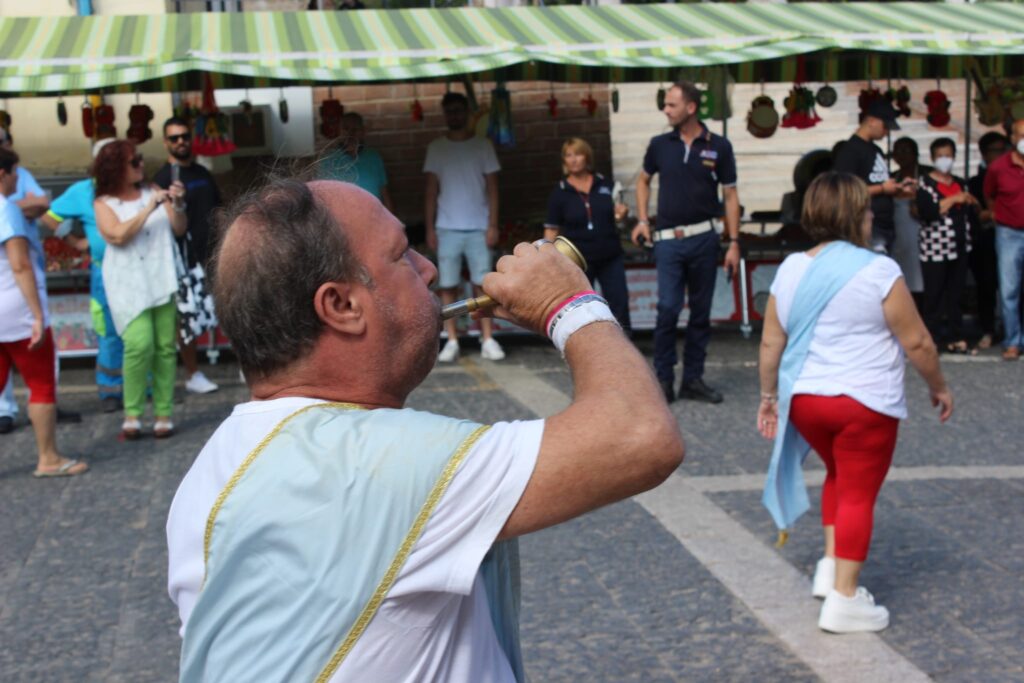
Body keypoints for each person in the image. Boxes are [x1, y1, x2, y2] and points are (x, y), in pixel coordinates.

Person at [165, 178, 684, 681]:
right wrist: (567, 306)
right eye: (402, 255)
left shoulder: (212, 468)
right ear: (342, 306)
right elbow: (639, 434)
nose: (429, 269)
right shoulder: (373, 463)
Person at [758, 172, 952, 634]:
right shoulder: (880, 271)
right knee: (858, 493)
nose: (870, 216)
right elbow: (918, 342)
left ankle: (830, 568)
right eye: (865, 209)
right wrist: (938, 386)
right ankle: (845, 599)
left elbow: (770, 343)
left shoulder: (790, 268)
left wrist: (768, 397)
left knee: (837, 477)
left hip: (807, 402)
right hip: (865, 403)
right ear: (853, 215)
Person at [631, 80, 742, 405]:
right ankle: (663, 379)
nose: (665, 110)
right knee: (668, 308)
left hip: (705, 239)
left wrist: (734, 242)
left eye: (671, 105)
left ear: (691, 108)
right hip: (669, 242)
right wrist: (642, 219)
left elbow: (731, 195)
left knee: (701, 313)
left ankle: (693, 379)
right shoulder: (659, 144)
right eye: (665, 104)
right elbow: (642, 181)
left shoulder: (719, 146)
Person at [0, 148, 89, 477]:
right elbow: (20, 265)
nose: (17, 179)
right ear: (2, 174)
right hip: (16, 309)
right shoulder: (6, 210)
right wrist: (37, 315)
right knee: (40, 383)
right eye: (14, 173)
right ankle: (48, 457)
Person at [93, 140, 187, 439]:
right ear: (116, 168)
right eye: (134, 161)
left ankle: (163, 413)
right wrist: (149, 208)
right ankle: (132, 413)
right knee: (139, 344)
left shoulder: (153, 190)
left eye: (140, 159)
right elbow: (117, 235)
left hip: (161, 276)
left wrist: (178, 204)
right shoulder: (104, 203)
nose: (141, 165)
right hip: (128, 284)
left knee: (165, 347)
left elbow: (179, 228)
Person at [40, 138, 125, 413]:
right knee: (108, 331)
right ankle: (110, 390)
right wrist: (75, 241)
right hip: (103, 272)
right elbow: (49, 217)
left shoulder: (133, 188)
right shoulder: (83, 191)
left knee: (138, 331)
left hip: (136, 270)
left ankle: (142, 386)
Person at [424, 91, 505, 363]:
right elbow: (430, 191)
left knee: (483, 286)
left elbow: (493, 188)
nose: (454, 115)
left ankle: (488, 338)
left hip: (479, 227)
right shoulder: (436, 147)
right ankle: (452, 340)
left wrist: (493, 224)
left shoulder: (483, 145)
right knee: (447, 286)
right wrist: (430, 228)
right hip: (446, 227)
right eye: (450, 111)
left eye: (459, 110)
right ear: (445, 114)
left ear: (467, 113)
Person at [154, 117, 221, 394]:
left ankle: (247, 364)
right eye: (174, 138)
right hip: (183, 260)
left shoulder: (202, 172)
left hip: (214, 252)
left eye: (184, 136)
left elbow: (218, 206)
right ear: (165, 142)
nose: (181, 141)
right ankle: (192, 373)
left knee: (229, 308)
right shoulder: (162, 179)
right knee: (187, 317)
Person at [544, 137, 631, 331]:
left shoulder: (607, 185)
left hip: (610, 256)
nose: (574, 159)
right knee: (580, 309)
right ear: (564, 161)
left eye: (578, 154)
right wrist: (548, 260)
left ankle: (625, 343)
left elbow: (622, 224)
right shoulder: (559, 193)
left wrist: (622, 216)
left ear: (587, 157)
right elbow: (551, 230)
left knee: (619, 303)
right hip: (577, 261)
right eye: (569, 155)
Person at [916, 138, 979, 354]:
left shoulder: (960, 183)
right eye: (940, 156)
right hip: (935, 248)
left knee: (956, 294)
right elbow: (928, 211)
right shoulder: (925, 183)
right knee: (934, 295)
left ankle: (956, 335)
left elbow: (970, 209)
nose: (945, 160)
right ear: (933, 158)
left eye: (948, 155)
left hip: (960, 246)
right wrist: (954, 199)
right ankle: (931, 337)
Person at [833, 100, 917, 253]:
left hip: (886, 224)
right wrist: (882, 188)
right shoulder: (850, 151)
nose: (886, 132)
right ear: (872, 121)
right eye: (885, 126)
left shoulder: (875, 149)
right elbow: (845, 191)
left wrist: (899, 187)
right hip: (865, 225)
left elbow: (879, 181)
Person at [983, 119, 1024, 360]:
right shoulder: (998, 167)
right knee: (1009, 290)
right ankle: (1013, 341)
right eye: (1021, 135)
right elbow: (989, 194)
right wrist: (995, 214)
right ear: (1013, 138)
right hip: (1009, 233)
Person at [968, 132, 1009, 350]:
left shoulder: (1014, 175)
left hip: (1011, 235)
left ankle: (1012, 329)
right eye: (996, 150)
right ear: (984, 154)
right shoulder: (976, 182)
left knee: (1012, 287)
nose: (1001, 154)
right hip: (985, 239)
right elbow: (977, 213)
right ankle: (988, 328)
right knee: (986, 284)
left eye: (1004, 150)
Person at [318, 112, 394, 213]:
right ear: (339, 131)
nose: (350, 133)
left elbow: (384, 193)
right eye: (346, 128)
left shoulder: (373, 156)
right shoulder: (328, 159)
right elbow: (320, 197)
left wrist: (391, 219)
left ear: (363, 131)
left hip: (372, 216)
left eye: (355, 129)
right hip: (340, 219)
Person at [890, 137, 924, 300]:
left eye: (905, 151)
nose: (901, 155)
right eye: (898, 152)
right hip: (898, 232)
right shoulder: (891, 179)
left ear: (915, 154)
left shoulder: (926, 175)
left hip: (921, 231)